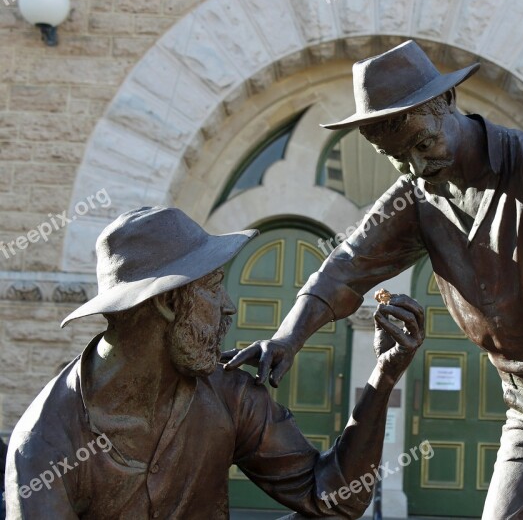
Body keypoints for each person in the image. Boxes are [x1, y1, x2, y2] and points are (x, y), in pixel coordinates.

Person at [225, 41, 523, 519]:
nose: (418, 166)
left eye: (425, 143)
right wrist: (286, 338)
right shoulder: (415, 195)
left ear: (448, 103)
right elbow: (346, 265)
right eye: (398, 156)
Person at [4, 206, 424, 520]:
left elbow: (336, 499)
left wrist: (384, 377)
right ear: (169, 302)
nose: (230, 308)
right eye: (213, 288)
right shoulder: (45, 444)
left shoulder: (227, 393)